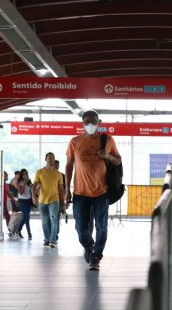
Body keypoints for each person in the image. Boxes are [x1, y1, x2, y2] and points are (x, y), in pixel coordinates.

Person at [66, 110, 122, 271]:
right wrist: (67, 189)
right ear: (82, 123)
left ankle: (96, 257)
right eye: (87, 121)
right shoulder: (74, 141)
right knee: (80, 227)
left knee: (102, 227)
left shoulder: (108, 140)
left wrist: (107, 156)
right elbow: (69, 165)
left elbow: (118, 161)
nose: (90, 124)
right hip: (79, 192)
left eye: (93, 121)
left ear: (99, 122)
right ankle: (90, 247)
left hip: (102, 192)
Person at [31, 152, 65, 249]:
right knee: (45, 222)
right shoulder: (39, 172)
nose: (51, 160)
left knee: (54, 219)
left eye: (53, 158)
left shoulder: (58, 174)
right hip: (42, 201)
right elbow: (34, 186)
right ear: (45, 159)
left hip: (54, 200)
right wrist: (34, 197)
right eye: (49, 158)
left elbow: (61, 190)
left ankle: (53, 240)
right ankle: (46, 239)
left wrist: (63, 203)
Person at [16, 168, 33, 240]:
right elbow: (21, 193)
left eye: (26, 173)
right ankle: (29, 234)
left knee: (25, 217)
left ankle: (18, 230)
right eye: (23, 174)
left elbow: (32, 191)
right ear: (21, 175)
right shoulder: (19, 182)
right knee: (27, 217)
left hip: (28, 201)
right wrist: (25, 183)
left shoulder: (29, 181)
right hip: (22, 201)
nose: (25, 175)